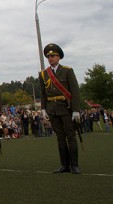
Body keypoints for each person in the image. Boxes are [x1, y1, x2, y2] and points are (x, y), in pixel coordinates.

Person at [39, 43, 81, 174]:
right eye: (48, 56)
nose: (50, 58)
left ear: (59, 57)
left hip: (66, 108)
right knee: (60, 137)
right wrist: (43, 109)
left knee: (70, 136)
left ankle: (74, 165)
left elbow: (75, 91)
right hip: (52, 109)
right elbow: (43, 93)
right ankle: (64, 165)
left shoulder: (68, 70)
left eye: (53, 56)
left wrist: (76, 110)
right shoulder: (43, 74)